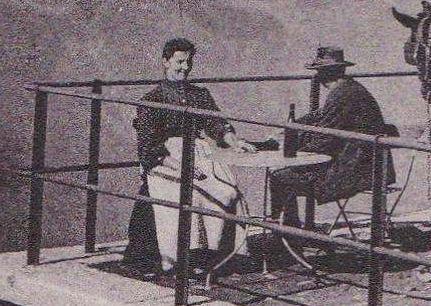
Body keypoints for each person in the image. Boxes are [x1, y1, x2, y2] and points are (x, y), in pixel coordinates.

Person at [124, 37, 255, 274]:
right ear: (165, 62)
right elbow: (148, 147)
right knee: (190, 194)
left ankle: (219, 252)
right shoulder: (151, 100)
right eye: (179, 62)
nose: (184, 68)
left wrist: (234, 142)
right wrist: (179, 166)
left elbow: (216, 124)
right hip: (165, 160)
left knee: (227, 190)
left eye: (188, 62)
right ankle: (188, 257)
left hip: (199, 154)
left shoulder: (199, 95)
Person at [267, 47, 393, 226]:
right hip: (364, 162)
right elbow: (321, 118)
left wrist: (291, 147)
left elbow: (326, 138)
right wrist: (288, 131)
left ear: (326, 73)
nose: (316, 76)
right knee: (285, 171)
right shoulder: (348, 89)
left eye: (318, 71)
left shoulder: (343, 94)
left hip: (357, 168)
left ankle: (287, 235)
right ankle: (290, 231)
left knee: (279, 176)